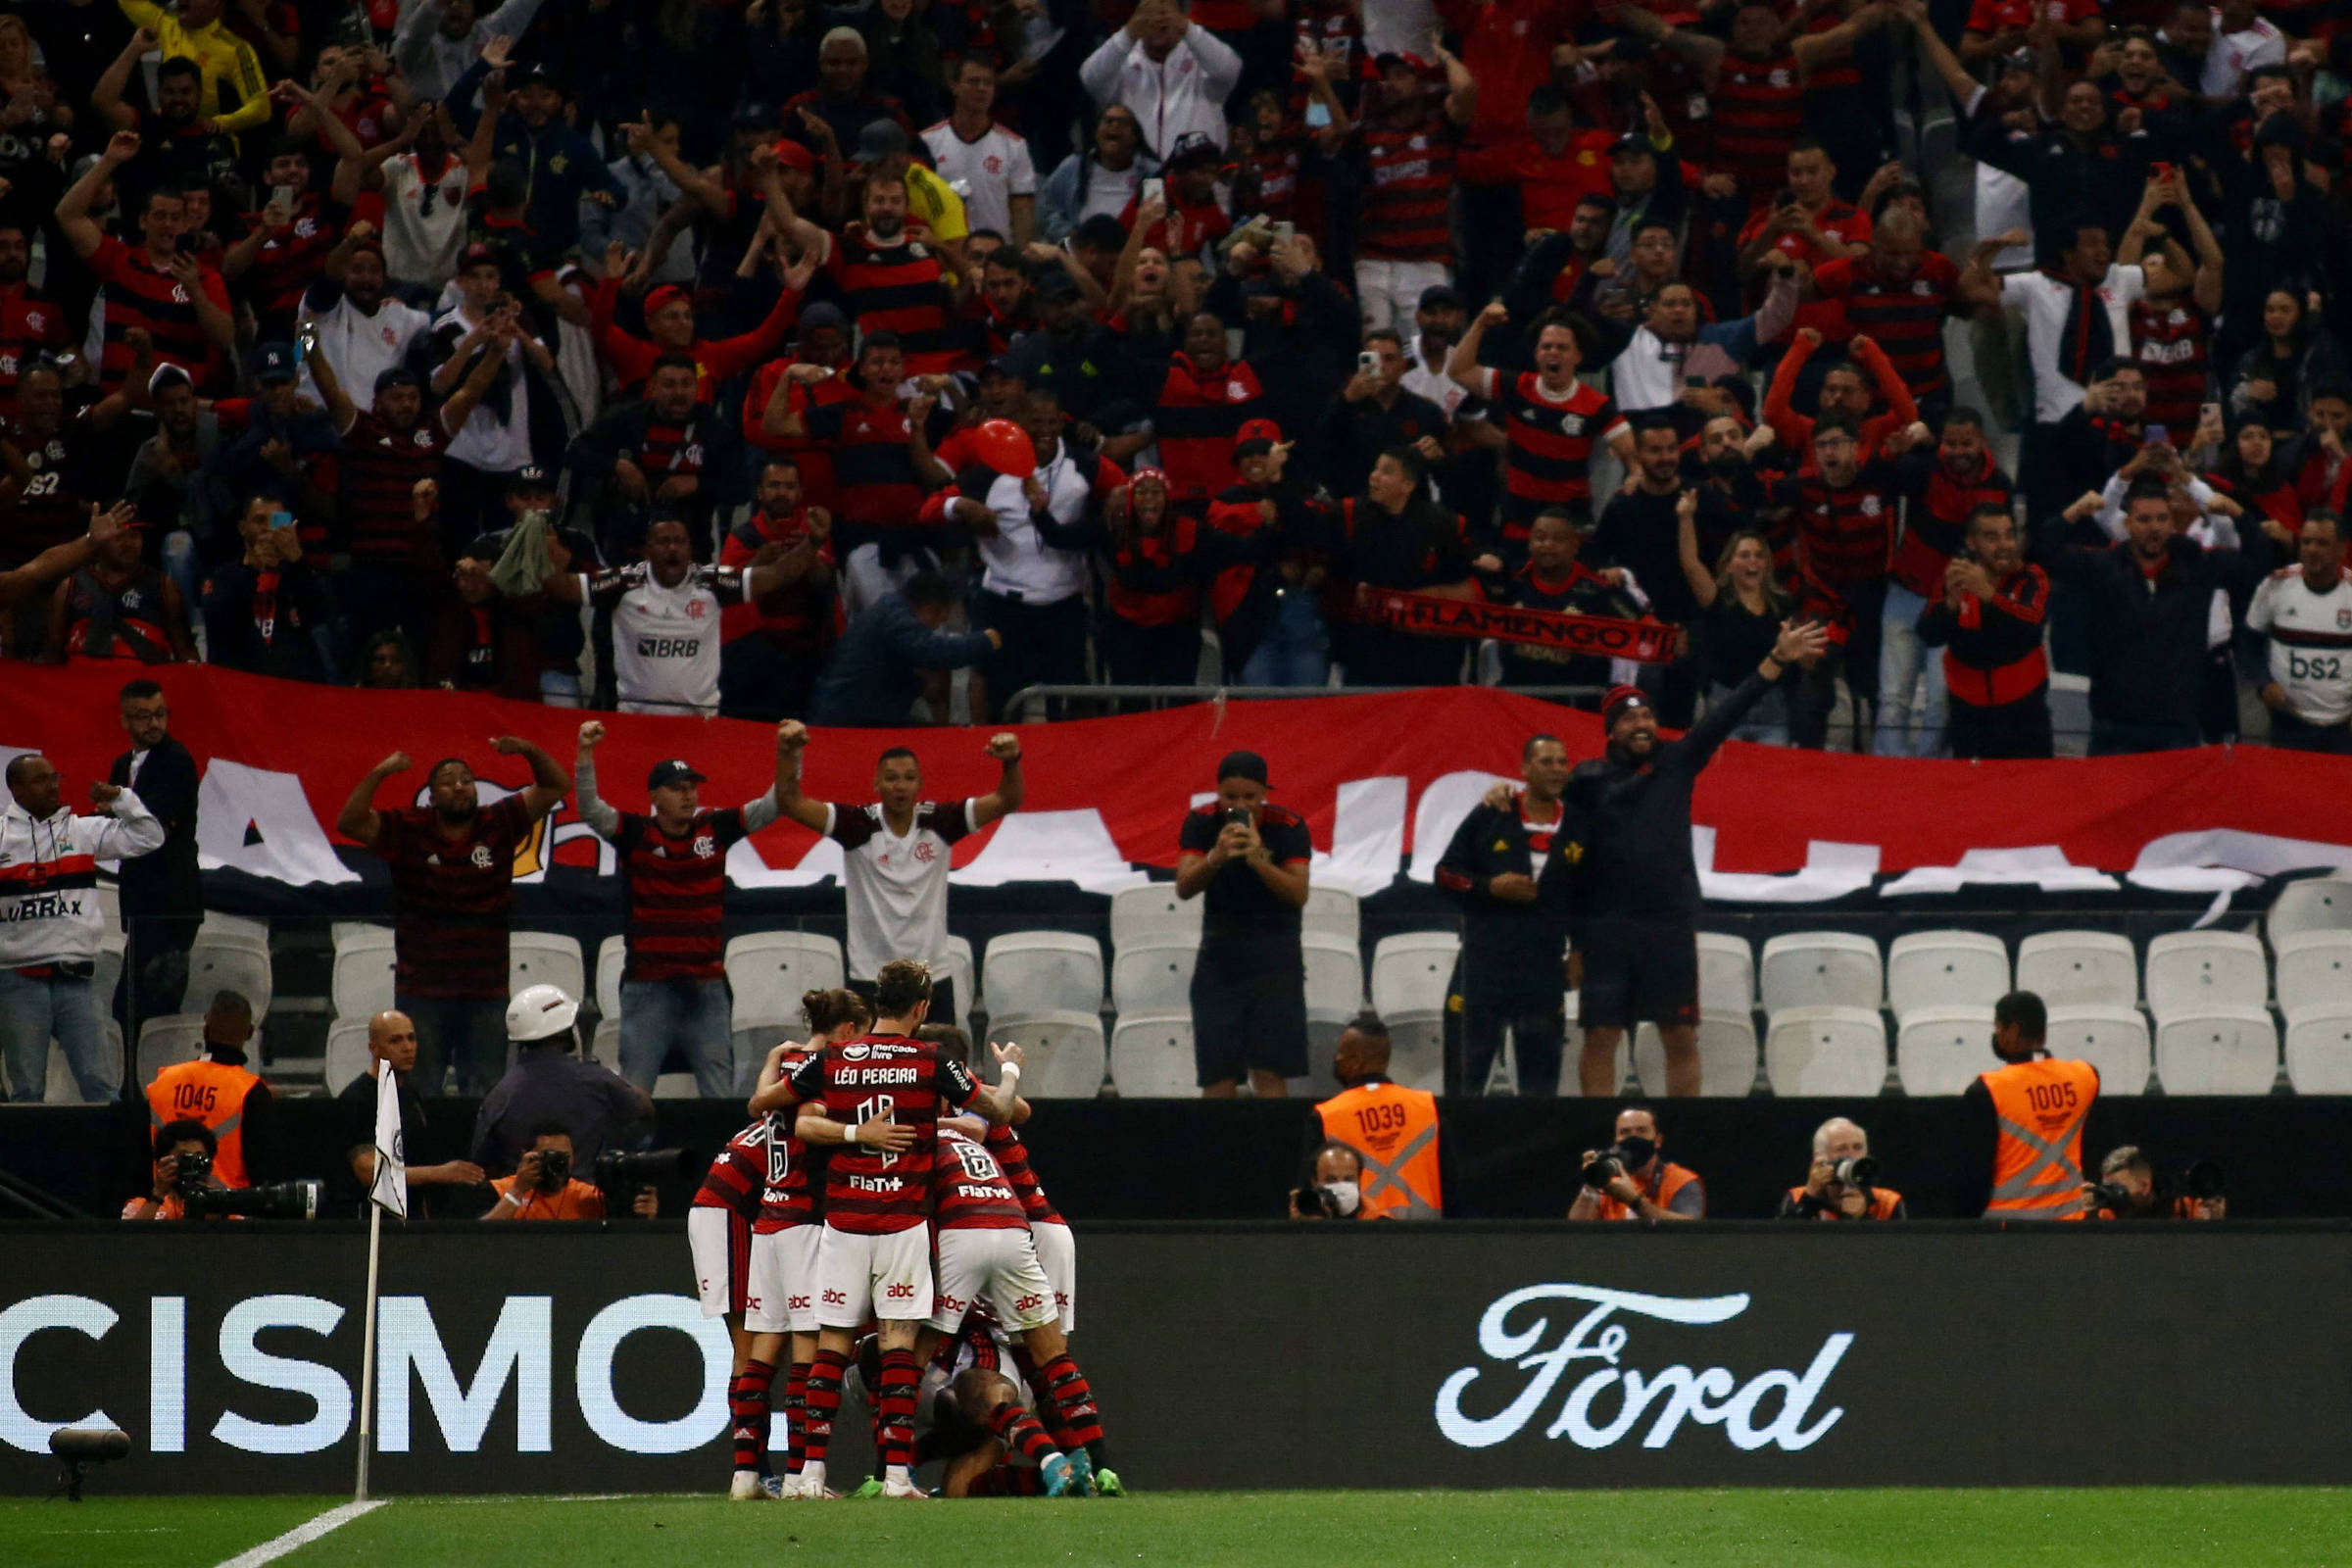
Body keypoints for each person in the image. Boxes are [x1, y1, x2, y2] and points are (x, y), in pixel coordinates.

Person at [1493, 621, 1828, 1097]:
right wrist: (1503, 793)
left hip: (1668, 926)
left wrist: (1775, 659)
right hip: (1606, 929)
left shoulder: (1677, 760)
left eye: (1647, 717)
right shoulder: (1586, 781)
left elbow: (1726, 713)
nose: (1642, 725)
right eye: (1629, 720)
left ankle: (1683, 1134)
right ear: (1610, 729)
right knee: (1602, 1036)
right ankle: (1600, 1138)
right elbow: (1555, 836)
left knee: (1679, 1035)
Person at [785, 958, 1024, 1499]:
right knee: (898, 1346)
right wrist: (1009, 1071)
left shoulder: (835, 1058)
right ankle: (896, 1478)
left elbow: (783, 1109)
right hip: (901, 1222)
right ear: (921, 1008)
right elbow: (1002, 1110)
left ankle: (808, 1477)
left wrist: (849, 1130)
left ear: (875, 1002)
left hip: (843, 1220)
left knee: (832, 1346)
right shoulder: (932, 1060)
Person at [336, 739, 569, 1096]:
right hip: (423, 991)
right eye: (448, 781)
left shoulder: (499, 821)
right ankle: (428, 1154)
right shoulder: (409, 827)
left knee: (486, 1094)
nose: (460, 786)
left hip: (486, 990)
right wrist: (381, 772)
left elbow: (555, 785)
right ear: (430, 796)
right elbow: (349, 822)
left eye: (466, 779)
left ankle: (477, 1155)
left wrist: (527, 749)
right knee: (420, 1093)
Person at [575, 721, 791, 1094]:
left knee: (718, 1090)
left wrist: (790, 754)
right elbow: (591, 809)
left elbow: (775, 805)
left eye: (692, 788)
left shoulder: (716, 828)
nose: (688, 796)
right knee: (635, 1093)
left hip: (705, 985)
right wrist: (585, 754)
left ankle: (721, 1152)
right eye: (677, 789)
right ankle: (631, 1153)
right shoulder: (636, 833)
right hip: (648, 986)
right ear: (654, 796)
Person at [774, 723, 1022, 1017]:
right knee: (869, 1065)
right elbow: (790, 802)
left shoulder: (941, 822)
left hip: (930, 978)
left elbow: (1008, 799)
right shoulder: (856, 825)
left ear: (920, 784)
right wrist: (788, 753)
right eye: (891, 778)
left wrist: (1011, 761)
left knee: (938, 1062)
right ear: (876, 784)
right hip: (871, 977)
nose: (900, 786)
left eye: (908, 778)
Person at [735, 988, 873, 1501]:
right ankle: (799, 1477)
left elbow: (756, 1104)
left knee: (760, 1354)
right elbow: (811, 1128)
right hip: (805, 1222)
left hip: (768, 1223)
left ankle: (745, 1475)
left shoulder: (787, 1063)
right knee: (809, 1354)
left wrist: (771, 1058)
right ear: (847, 1031)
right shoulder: (827, 1065)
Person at [0, 752, 165, 1102]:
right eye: (41, 779)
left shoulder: (81, 830)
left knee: (101, 1086)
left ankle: (110, 1158)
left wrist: (121, 799)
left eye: (54, 776)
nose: (53, 785)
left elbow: (150, 837)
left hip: (77, 980)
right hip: (18, 979)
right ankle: (26, 1160)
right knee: (26, 1090)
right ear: (16, 789)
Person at [2048, 473, 2239, 755]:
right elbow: (2102, 517)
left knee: (2216, 761)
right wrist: (2122, 477)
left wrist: (2195, 486)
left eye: (2183, 495)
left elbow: (2236, 543)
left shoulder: (2209, 539)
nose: (2155, 525)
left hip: (2203, 666)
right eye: (2173, 493)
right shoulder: (2131, 548)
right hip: (2129, 689)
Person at [1436, 736, 1580, 1098]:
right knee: (1464, 1083)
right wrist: (1489, 887)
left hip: (1543, 971)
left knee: (1540, 1087)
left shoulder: (1579, 825)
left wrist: (1580, 950)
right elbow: (1444, 874)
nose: (1557, 769)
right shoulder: (1492, 813)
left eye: (1563, 762)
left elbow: (1591, 896)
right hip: (1482, 966)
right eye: (1546, 761)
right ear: (1524, 769)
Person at [1175, 750, 1312, 1099]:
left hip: (1275, 961)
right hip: (1219, 960)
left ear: (1265, 793)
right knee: (1217, 1075)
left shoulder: (1289, 827)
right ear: (1218, 792)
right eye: (1230, 797)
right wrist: (1215, 857)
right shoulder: (1201, 822)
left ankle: (1273, 1148)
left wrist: (1258, 858)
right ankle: (1217, 1150)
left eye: (1250, 797)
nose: (1240, 804)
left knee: (1269, 1072)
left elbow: (1298, 893)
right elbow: (1185, 886)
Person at [1918, 504, 2054, 760]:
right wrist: (1950, 605)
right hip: (1968, 715)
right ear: (1972, 543)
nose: (2004, 545)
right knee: (1973, 793)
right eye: (1992, 538)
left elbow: (2032, 626)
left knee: (2032, 792)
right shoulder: (1956, 577)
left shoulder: (2032, 577)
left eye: (2009, 535)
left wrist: (1989, 596)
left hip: (2024, 714)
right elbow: (1928, 634)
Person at [470, 985, 654, 1174]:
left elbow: (481, 1158)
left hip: (521, 1199)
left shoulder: (499, 1094)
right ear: (564, 1030)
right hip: (584, 1199)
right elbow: (640, 1109)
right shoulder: (596, 1080)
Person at [109, 679, 201, 1036]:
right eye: (144, 716)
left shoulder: (176, 760)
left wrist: (115, 807)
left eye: (160, 714)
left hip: (171, 898)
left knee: (147, 1006)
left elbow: (154, 826)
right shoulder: (121, 765)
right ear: (125, 721)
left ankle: (143, 1085)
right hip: (140, 898)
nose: (155, 724)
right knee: (133, 1007)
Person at [1963, 990, 2100, 1220]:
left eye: (1999, 1028)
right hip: (2071, 1226)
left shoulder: (1988, 1089)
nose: (1996, 1035)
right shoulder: (2085, 1076)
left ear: (2013, 1030)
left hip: (2008, 1230)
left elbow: (1974, 1174)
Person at [339, 1008, 483, 1219]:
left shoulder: (410, 1093)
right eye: (395, 1041)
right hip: (370, 1222)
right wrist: (439, 1173)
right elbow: (370, 1173)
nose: (407, 1047)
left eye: (411, 1038)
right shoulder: (358, 1098)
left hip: (410, 1218)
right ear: (374, 1048)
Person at [807, 572, 1002, 727]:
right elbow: (935, 652)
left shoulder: (890, 609)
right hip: (849, 722)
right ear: (933, 609)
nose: (936, 626)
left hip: (855, 714)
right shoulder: (897, 619)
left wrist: (917, 686)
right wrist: (984, 641)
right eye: (940, 619)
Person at [1307, 1014, 1443, 1218]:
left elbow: (1309, 1200)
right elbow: (1453, 1188)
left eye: (1342, 1053)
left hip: (1356, 1242)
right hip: (1427, 1239)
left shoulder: (1326, 1116)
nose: (1337, 1058)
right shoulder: (1428, 1107)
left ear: (1356, 1062)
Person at [142, 991, 271, 1188]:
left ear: (205, 1028)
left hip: (163, 1211)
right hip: (226, 1212)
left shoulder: (162, 1082)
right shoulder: (251, 1091)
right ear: (250, 1033)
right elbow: (262, 1169)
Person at [2246, 513, 2352, 753]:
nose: (2312, 550)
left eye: (2322, 543)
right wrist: (2264, 683)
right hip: (2289, 725)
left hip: (2343, 729)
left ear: (2342, 549)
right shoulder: (2275, 585)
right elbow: (2249, 642)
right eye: (2306, 542)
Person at [485, 1121, 657, 1220]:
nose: (559, 1163)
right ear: (526, 1155)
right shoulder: (499, 1190)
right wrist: (518, 1191)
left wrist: (645, 1217)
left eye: (565, 1156)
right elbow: (477, 1239)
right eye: (550, 1156)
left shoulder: (590, 1196)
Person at [1568, 1105, 1704, 1222]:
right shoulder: (1608, 1179)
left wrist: (1635, 1202)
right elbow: (1575, 1231)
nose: (1633, 1137)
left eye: (1641, 1131)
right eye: (1625, 1132)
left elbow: (1690, 1231)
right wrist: (1593, 1178)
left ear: (1658, 1141)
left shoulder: (1680, 1180)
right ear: (1616, 1141)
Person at [1777, 1116, 1906, 1221]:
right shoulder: (1796, 1197)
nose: (1851, 1156)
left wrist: (1863, 1219)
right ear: (1820, 1158)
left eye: (1857, 1147)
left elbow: (1895, 1250)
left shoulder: (1887, 1202)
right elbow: (1783, 1244)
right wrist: (1810, 1198)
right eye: (1841, 1149)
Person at [122, 1120, 229, 1220]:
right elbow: (130, 1237)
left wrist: (212, 1200)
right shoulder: (138, 1206)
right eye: (184, 1157)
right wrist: (158, 1195)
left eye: (198, 1157)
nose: (191, 1165)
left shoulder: (224, 1204)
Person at [1287, 1140, 1367, 1221]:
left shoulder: (1375, 1218)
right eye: (1331, 1180)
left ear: (1359, 1181)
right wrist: (1300, 1227)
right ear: (1314, 1182)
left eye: (1348, 1179)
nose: (1341, 1186)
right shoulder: (1308, 1215)